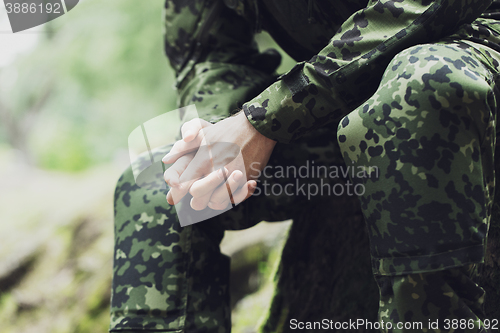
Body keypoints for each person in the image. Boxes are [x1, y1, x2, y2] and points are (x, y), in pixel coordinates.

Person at [109, 0, 500, 331]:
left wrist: (266, 117)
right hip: (330, 104)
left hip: (467, 53)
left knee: (420, 85)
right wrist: (218, 132)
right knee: (159, 184)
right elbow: (208, 54)